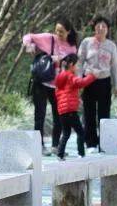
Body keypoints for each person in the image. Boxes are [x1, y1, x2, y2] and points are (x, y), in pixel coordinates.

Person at [22, 19, 78, 154]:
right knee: (39, 115)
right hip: (41, 82)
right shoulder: (49, 38)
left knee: (59, 116)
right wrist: (28, 45)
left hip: (59, 86)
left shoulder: (72, 47)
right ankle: (39, 146)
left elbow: (72, 67)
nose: (58, 34)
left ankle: (55, 145)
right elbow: (28, 36)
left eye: (62, 32)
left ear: (68, 32)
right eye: (57, 30)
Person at [77, 15, 117, 151]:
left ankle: (104, 142)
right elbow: (79, 62)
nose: (101, 28)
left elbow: (114, 66)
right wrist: (78, 81)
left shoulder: (111, 45)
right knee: (89, 112)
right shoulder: (86, 42)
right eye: (98, 25)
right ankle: (90, 142)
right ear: (94, 27)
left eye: (104, 26)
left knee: (104, 112)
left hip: (104, 81)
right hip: (88, 80)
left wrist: (116, 85)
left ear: (108, 29)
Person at [53, 53, 95, 159]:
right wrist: (92, 76)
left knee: (66, 133)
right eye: (76, 65)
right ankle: (81, 154)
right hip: (70, 110)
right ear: (71, 64)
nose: (77, 68)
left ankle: (60, 154)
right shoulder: (70, 76)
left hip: (62, 111)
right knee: (80, 132)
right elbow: (80, 83)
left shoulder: (60, 77)